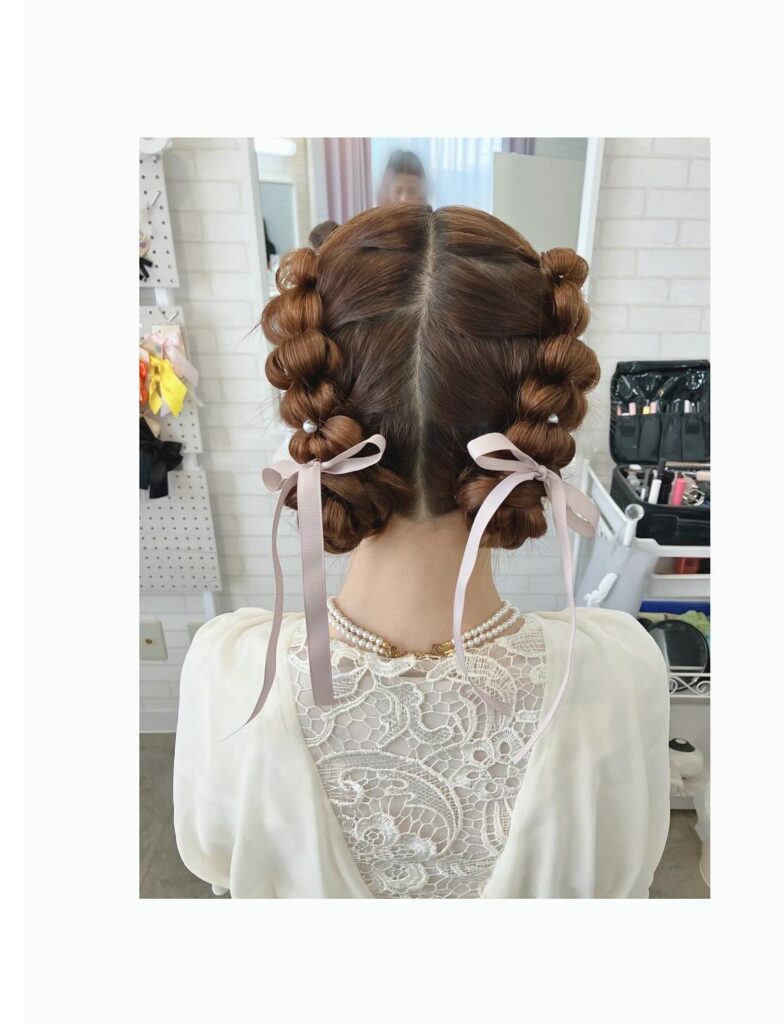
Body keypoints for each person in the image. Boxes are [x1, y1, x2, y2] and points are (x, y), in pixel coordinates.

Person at [174, 203, 670, 899]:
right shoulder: (619, 676)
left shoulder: (228, 676)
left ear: (317, 416)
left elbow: (216, 861)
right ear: (534, 427)